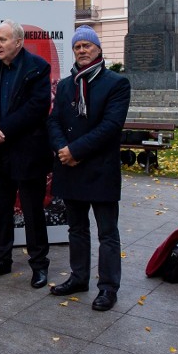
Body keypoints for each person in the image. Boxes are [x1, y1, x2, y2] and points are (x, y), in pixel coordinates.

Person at [47, 25, 130, 312]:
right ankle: (79, 277)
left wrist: (76, 150)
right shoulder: (68, 84)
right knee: (77, 229)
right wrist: (62, 150)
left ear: (98, 49)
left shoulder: (116, 83)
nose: (82, 50)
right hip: (70, 166)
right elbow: (54, 120)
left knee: (107, 232)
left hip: (100, 169)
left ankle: (108, 288)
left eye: (87, 46)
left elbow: (110, 127)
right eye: (77, 46)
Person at [0, 20, 52, 288]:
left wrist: (1, 129)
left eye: (2, 40)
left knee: (32, 212)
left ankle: (39, 265)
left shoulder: (38, 68)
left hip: (28, 152)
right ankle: (1, 259)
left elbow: (36, 108)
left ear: (18, 42)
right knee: (2, 210)